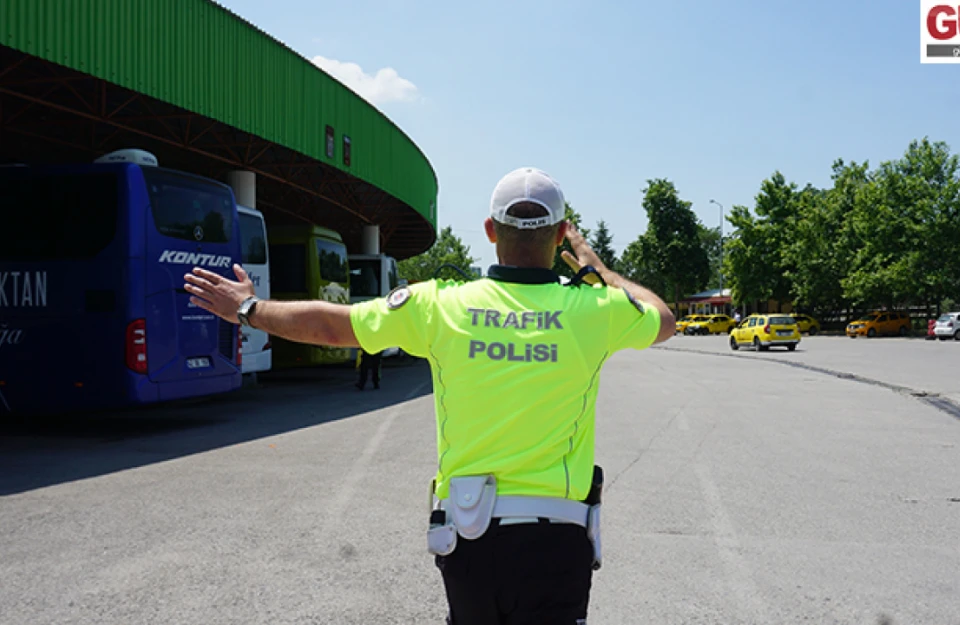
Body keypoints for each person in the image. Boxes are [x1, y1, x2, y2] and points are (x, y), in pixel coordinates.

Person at [182, 166, 676, 624]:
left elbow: (335, 326)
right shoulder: (596, 310)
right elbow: (664, 318)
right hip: (558, 541)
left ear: (489, 230)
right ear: (562, 230)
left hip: (470, 534)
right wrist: (600, 269)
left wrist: (249, 307)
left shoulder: (440, 305)